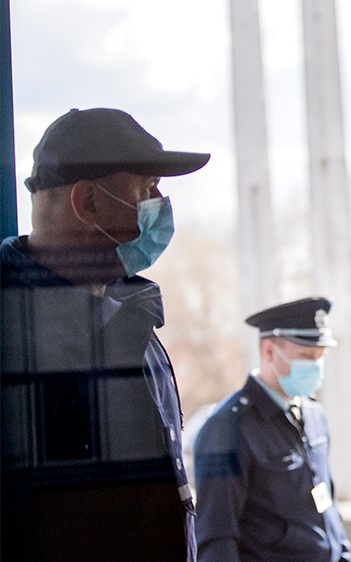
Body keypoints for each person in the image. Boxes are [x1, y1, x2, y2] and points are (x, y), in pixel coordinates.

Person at [0, 108, 210, 560]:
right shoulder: (10, 327)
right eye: (145, 189)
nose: (161, 206)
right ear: (88, 202)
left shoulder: (132, 314)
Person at [193, 297, 351, 562]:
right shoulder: (228, 427)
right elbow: (216, 536)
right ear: (269, 351)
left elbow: (328, 509)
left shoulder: (314, 415)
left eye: (319, 357)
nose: (315, 366)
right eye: (305, 356)